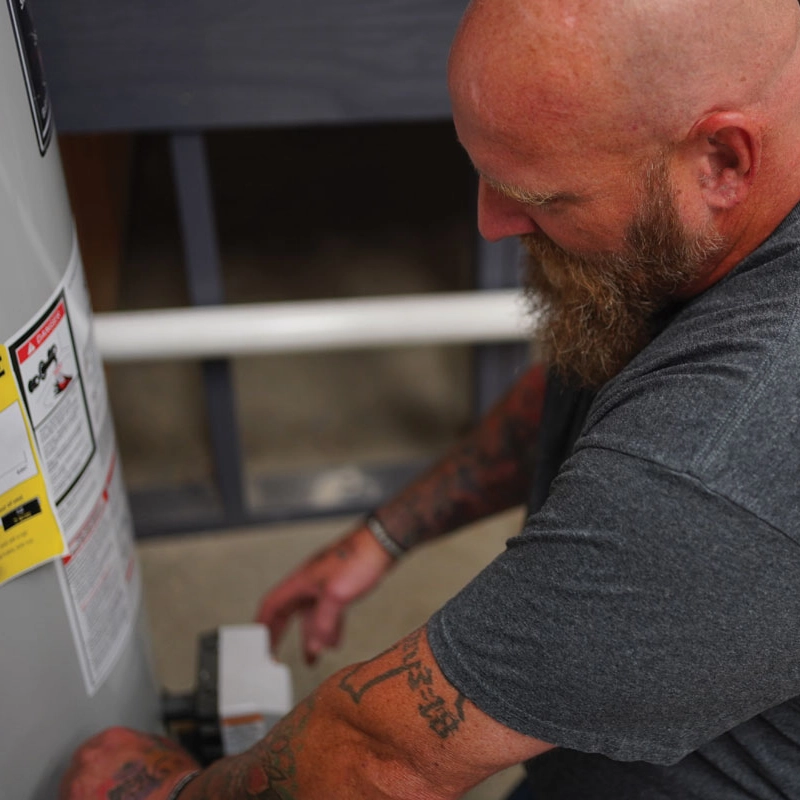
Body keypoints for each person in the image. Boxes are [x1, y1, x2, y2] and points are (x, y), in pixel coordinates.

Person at [61, 0, 800, 797]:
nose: (489, 223)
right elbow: (609, 380)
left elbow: (382, 759)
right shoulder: (717, 230)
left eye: (543, 199)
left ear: (724, 161)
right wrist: (386, 533)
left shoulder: (715, 461)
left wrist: (164, 794)